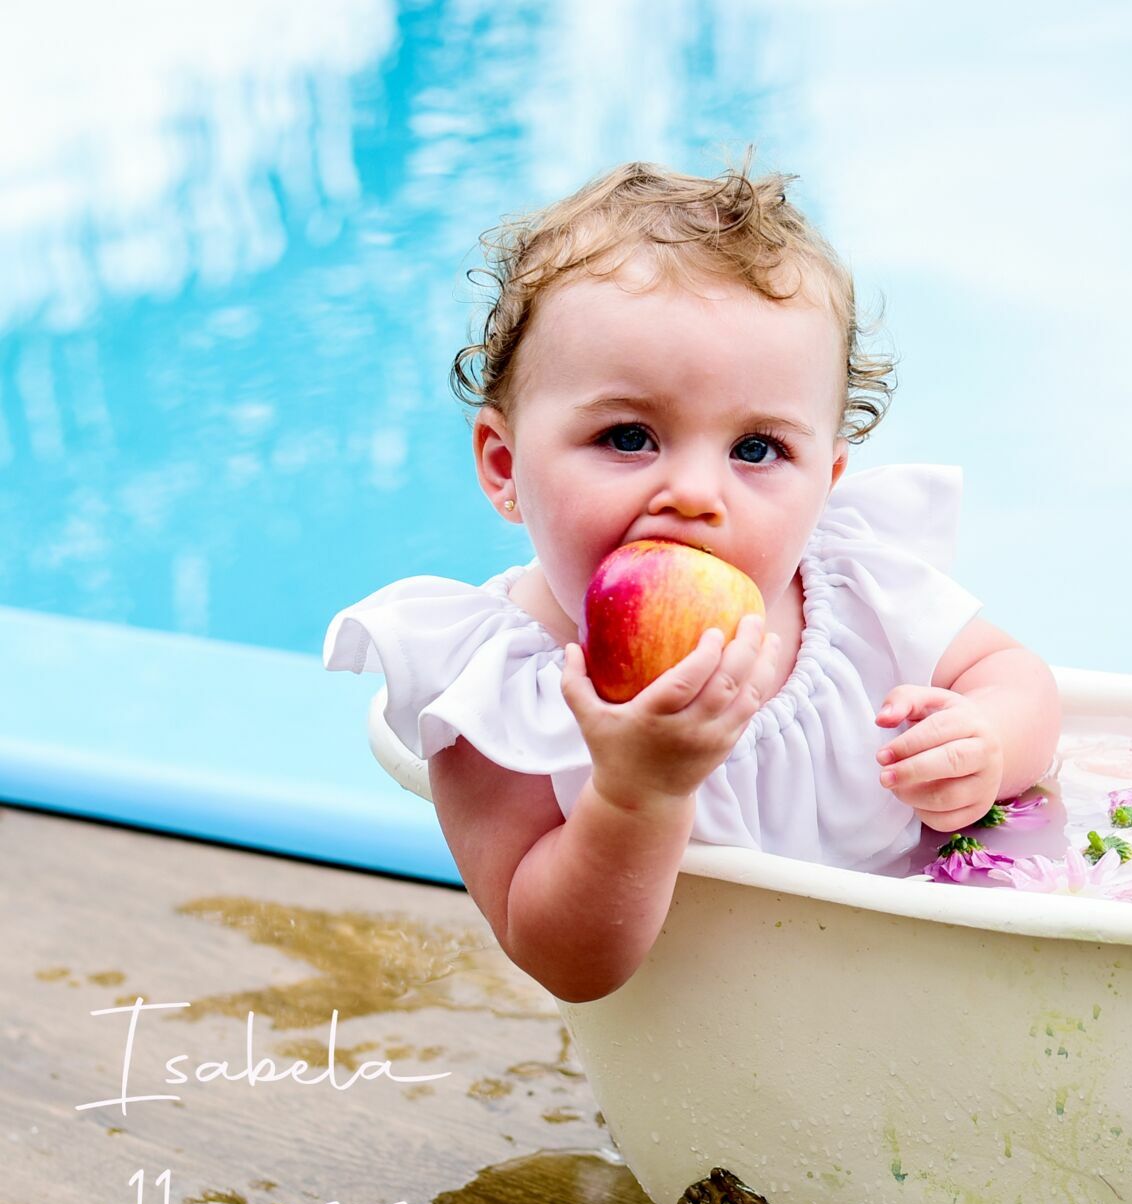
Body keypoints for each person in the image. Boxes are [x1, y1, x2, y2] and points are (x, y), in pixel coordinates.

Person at [323, 156, 1061, 1003]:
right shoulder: (501, 693)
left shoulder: (854, 590)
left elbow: (1018, 678)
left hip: (935, 983)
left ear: (826, 481)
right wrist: (639, 794)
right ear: (504, 465)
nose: (697, 496)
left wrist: (989, 741)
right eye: (630, 436)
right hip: (723, 1048)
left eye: (757, 450)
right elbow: (563, 959)